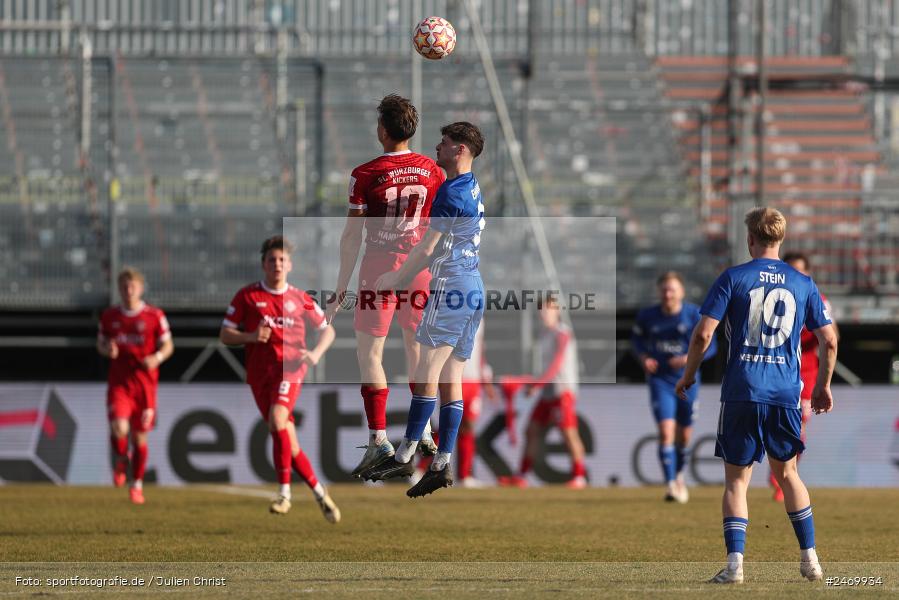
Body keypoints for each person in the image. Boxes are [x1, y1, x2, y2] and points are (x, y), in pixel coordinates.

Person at [676, 207, 838, 584]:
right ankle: (810, 560)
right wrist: (822, 385)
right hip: (784, 392)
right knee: (789, 474)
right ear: (780, 239)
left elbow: (703, 335)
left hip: (743, 390)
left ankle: (735, 566)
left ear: (750, 238)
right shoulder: (803, 283)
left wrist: (688, 374)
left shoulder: (734, 277)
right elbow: (828, 339)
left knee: (736, 481)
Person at [359, 121, 486, 498]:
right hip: (474, 286)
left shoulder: (450, 192)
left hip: (449, 286)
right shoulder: (473, 186)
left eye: (445, 143)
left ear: (460, 150)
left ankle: (404, 454)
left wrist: (397, 279)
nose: (438, 146)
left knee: (427, 370)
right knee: (452, 376)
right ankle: (443, 463)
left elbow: (427, 248)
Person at [325, 94, 445, 477]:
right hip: (420, 270)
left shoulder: (366, 175)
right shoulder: (432, 170)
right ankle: (424, 428)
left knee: (370, 355)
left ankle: (379, 440)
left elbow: (351, 237)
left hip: (378, 269)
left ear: (382, 130)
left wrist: (341, 286)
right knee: (417, 350)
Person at [220, 236, 340, 523]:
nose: (277, 264)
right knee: (289, 442)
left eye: (282, 260)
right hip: (260, 375)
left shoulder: (300, 298)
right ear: (263, 264)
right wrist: (250, 336)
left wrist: (316, 353)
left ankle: (284, 493)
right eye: (272, 260)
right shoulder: (247, 297)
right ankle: (319, 492)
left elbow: (328, 331)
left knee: (277, 419)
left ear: (290, 265)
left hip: (291, 369)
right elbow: (225, 334)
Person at [632, 271, 717, 503]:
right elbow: (637, 341)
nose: (668, 293)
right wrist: (644, 357)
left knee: (684, 436)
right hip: (660, 380)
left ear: (681, 292)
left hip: (688, 380)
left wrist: (687, 359)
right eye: (664, 289)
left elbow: (711, 346)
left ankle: (679, 476)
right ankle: (670, 484)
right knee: (665, 432)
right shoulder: (648, 316)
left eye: (672, 289)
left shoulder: (693, 314)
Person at [97, 267, 174, 505]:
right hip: (120, 384)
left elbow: (168, 345)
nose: (128, 291)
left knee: (140, 438)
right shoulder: (110, 317)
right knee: (119, 428)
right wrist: (107, 350)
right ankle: (121, 459)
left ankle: (136, 484)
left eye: (133, 286)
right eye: (124, 287)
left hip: (145, 387)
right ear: (119, 289)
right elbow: (100, 343)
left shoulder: (154, 316)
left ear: (141, 288)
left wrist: (157, 358)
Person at [768, 251, 837, 502]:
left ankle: (783, 478)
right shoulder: (773, 298)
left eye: (799, 271)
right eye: (790, 270)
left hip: (805, 374)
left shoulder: (816, 298)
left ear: (808, 274)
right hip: (773, 371)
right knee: (774, 426)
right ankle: (780, 473)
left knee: (798, 427)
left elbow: (831, 337)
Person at [497, 298, 588, 489]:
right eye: (541, 310)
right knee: (531, 431)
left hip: (562, 391)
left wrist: (537, 384)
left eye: (548, 310)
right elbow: (545, 368)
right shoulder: (544, 334)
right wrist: (533, 383)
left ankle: (579, 477)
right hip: (548, 391)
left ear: (557, 311)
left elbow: (556, 365)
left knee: (568, 433)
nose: (543, 314)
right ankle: (521, 477)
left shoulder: (562, 333)